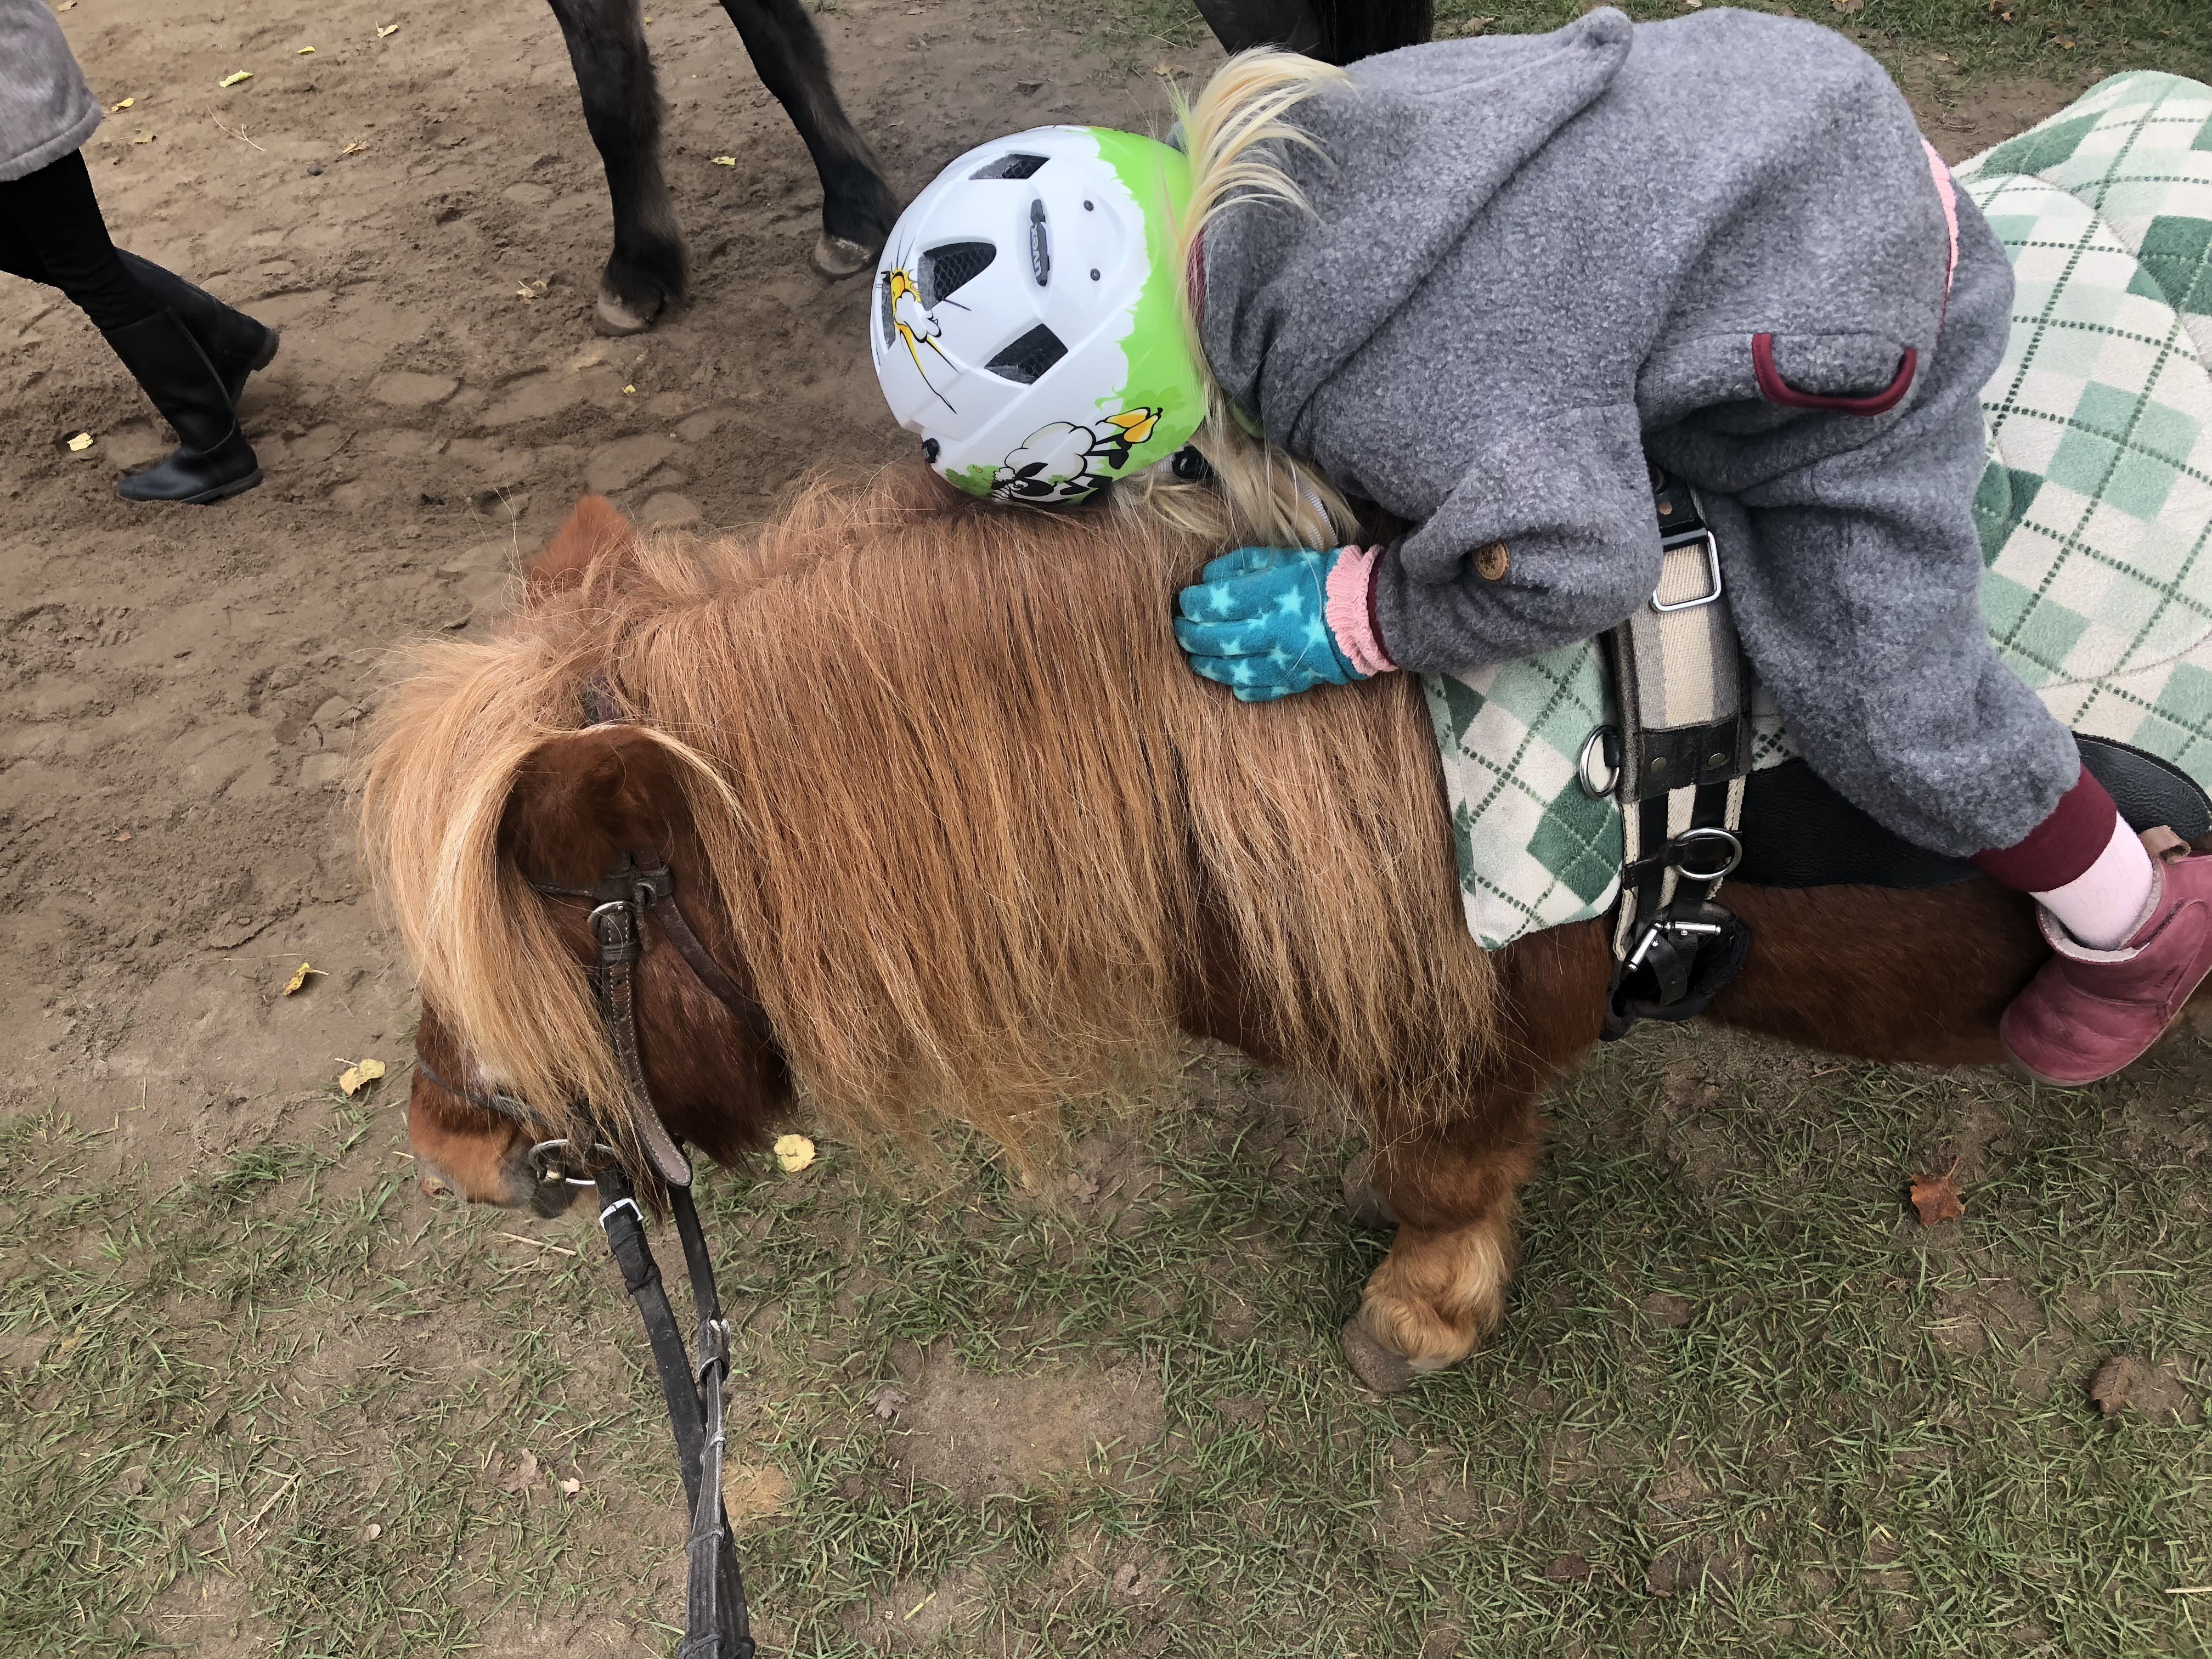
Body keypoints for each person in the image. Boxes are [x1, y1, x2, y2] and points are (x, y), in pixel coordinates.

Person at [869, 8, 2212, 1089]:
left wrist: (1366, 611)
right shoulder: (1304, 132)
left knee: (1886, 698)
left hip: (1860, 292)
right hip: (1773, 109)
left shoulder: (1376, 387)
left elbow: (1586, 562)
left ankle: (2132, 918)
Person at [1, 0, 274, 501]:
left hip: (8, 97)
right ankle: (225, 340)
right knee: (42, 251)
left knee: (84, 264)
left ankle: (217, 449)